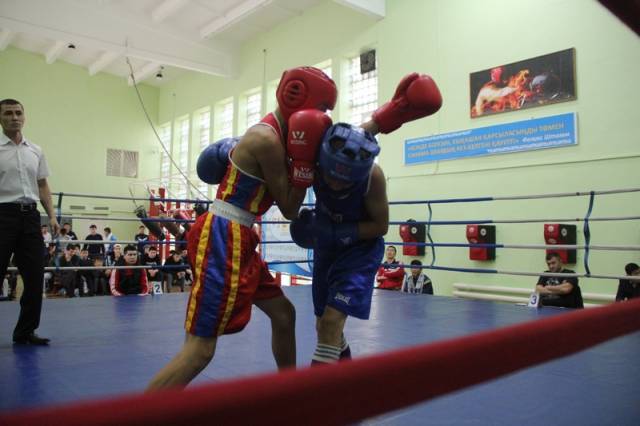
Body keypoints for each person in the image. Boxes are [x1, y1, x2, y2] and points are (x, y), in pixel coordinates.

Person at [147, 66, 337, 390]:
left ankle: (289, 392)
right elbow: (290, 208)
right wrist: (305, 167)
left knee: (284, 315)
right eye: (321, 108)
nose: (322, 117)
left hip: (240, 236)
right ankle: (138, 413)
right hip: (224, 236)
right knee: (200, 350)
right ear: (298, 98)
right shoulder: (266, 139)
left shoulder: (281, 135)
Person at [289, 72, 442, 364]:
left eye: (345, 181)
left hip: (359, 251)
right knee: (323, 326)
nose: (335, 185)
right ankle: (348, 380)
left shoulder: (372, 176)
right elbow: (356, 136)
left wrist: (337, 232)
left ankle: (316, 392)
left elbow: (380, 226)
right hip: (327, 248)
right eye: (332, 177)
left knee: (331, 322)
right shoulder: (322, 153)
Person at [0, 98, 60, 345]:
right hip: (2, 215)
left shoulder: (35, 149)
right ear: (0, 118)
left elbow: (43, 184)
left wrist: (52, 215)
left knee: (35, 277)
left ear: (24, 117)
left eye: (18, 113)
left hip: (31, 217)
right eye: (8, 113)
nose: (14, 117)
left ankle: (25, 331)